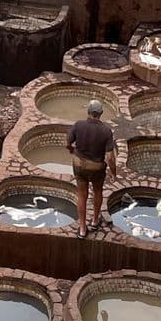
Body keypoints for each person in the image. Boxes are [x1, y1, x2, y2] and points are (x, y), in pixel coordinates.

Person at [66, 100, 118, 234]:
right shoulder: (106, 131)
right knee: (97, 192)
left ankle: (82, 228)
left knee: (82, 195)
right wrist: (113, 173)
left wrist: (70, 149)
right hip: (97, 168)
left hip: (79, 165)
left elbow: (68, 140)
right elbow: (110, 157)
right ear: (101, 113)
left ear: (88, 112)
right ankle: (95, 221)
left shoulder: (78, 125)